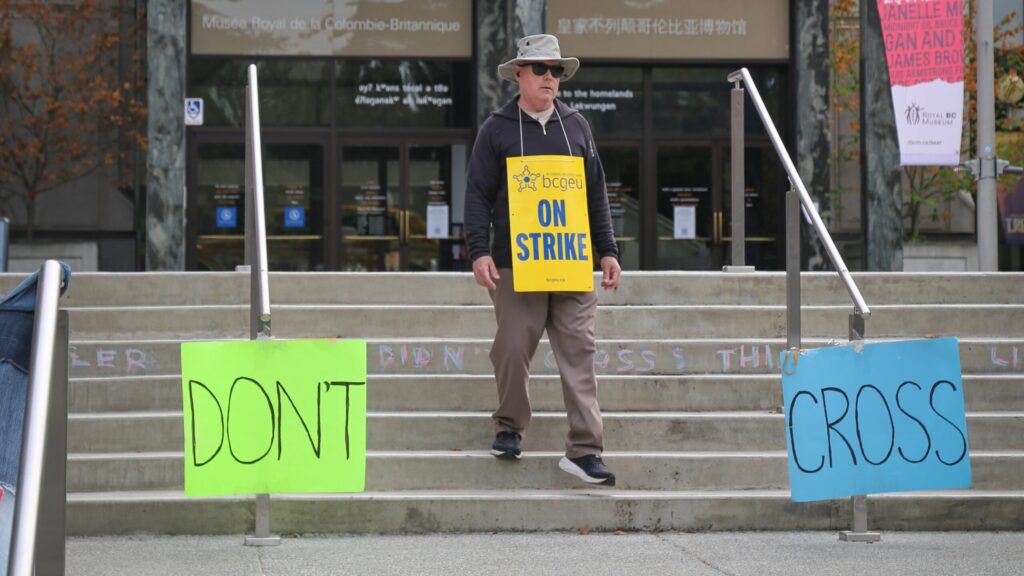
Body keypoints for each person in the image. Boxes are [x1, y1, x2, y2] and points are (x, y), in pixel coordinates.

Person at [463, 34, 621, 486]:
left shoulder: (577, 126)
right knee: (512, 347)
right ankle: (510, 427)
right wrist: (479, 251)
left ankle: (585, 450)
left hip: (572, 261)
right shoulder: (496, 129)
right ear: (519, 73)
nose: (550, 77)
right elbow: (477, 194)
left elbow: (596, 194)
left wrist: (608, 251)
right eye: (541, 69)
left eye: (557, 71)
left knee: (580, 353)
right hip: (516, 263)